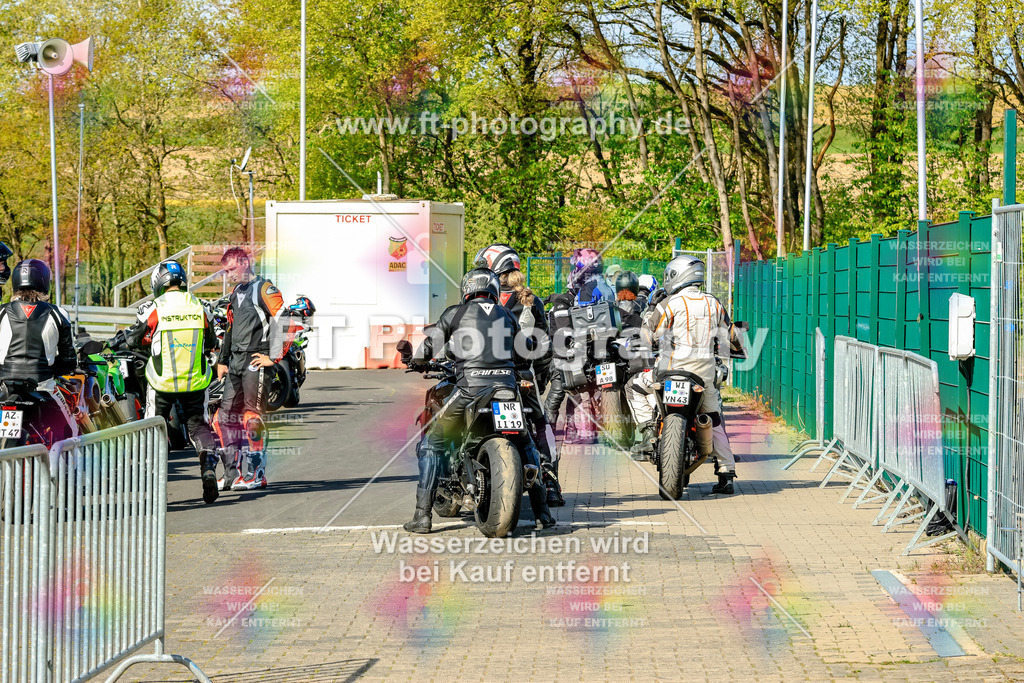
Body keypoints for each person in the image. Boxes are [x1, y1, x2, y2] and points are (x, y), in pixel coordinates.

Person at [403, 268, 556, 534]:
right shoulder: (507, 314)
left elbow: (430, 345)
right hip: (507, 390)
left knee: (432, 444)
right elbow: (523, 352)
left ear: (467, 290)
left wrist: (416, 361)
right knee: (526, 442)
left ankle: (421, 516)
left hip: (469, 391)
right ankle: (544, 514)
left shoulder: (455, 313)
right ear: (494, 289)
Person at [627, 255, 739, 493]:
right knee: (714, 418)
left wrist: (650, 315)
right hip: (704, 375)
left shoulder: (669, 303)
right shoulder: (714, 303)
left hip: (669, 371)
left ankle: (648, 433)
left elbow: (648, 334)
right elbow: (732, 337)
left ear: (676, 275)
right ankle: (726, 473)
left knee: (634, 387)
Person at [473, 243, 564, 506]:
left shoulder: (479, 299)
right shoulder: (531, 300)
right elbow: (544, 345)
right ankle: (550, 483)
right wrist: (542, 377)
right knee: (541, 425)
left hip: (480, 376)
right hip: (521, 377)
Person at [125, 260, 220, 504]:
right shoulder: (202, 307)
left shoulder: (152, 308)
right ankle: (208, 467)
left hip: (162, 382)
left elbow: (135, 340)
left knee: (154, 429)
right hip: (196, 381)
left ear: (157, 283)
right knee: (199, 426)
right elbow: (211, 341)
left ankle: (153, 488)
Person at [215, 246, 286, 491]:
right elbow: (230, 328)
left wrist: (274, 357)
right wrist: (222, 361)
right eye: (226, 271)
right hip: (234, 362)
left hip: (256, 361)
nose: (229, 274)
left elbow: (285, 320)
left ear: (245, 262)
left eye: (232, 268)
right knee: (222, 418)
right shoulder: (235, 292)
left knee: (251, 417)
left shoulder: (265, 288)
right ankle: (231, 474)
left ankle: (256, 474)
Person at [0, 259, 76, 385]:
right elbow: (69, 360)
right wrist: (52, 371)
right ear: (44, 281)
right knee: (70, 403)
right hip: (43, 385)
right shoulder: (59, 314)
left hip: (4, 386)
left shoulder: (2, 312)